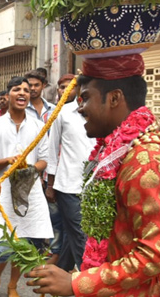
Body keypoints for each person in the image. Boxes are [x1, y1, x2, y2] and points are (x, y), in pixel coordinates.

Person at [26, 59, 160, 297]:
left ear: (114, 98)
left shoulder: (147, 163)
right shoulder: (124, 151)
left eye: (86, 98)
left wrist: (77, 283)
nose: (80, 108)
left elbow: (153, 255)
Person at [0, 77, 52, 297]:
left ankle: (12, 285)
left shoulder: (38, 126)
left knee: (22, 243)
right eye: (17, 89)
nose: (23, 93)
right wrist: (9, 161)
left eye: (26, 89)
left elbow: (44, 159)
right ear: (8, 95)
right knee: (2, 246)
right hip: (3, 193)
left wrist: (30, 169)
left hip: (30, 193)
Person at [43, 73, 93, 272]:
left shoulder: (99, 111)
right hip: (68, 184)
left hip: (94, 185)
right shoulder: (62, 113)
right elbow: (52, 150)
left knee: (74, 233)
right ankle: (86, 278)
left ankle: (62, 271)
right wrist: (50, 185)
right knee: (81, 233)